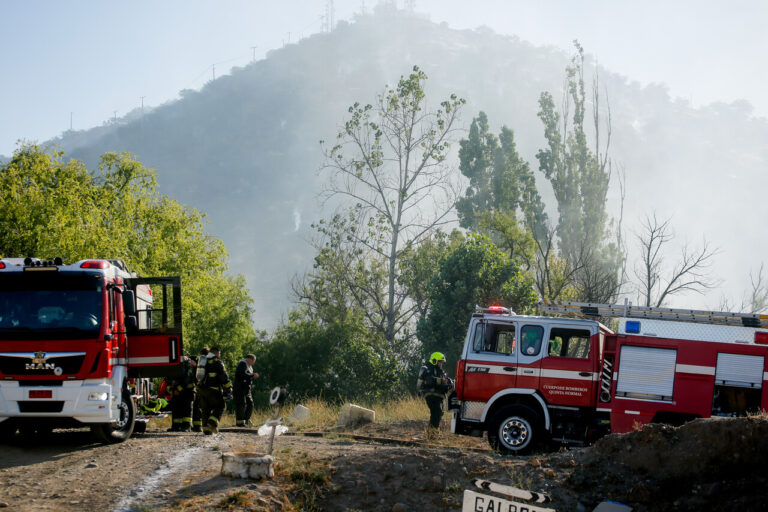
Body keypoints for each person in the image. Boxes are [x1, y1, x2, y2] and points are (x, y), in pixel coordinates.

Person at [197, 346, 232, 435]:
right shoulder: (217, 362)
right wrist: (228, 387)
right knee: (221, 405)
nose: (219, 355)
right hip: (214, 389)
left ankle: (206, 430)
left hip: (202, 390)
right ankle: (212, 423)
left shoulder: (203, 361)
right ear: (216, 352)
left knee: (206, 409)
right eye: (219, 353)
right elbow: (223, 376)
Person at [416, 352, 454, 430]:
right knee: (436, 412)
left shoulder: (441, 372)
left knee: (438, 413)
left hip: (439, 397)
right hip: (431, 395)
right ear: (434, 361)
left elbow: (446, 382)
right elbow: (429, 380)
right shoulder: (429, 369)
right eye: (439, 362)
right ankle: (432, 434)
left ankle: (431, 432)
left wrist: (450, 383)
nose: (441, 364)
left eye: (441, 362)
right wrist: (442, 381)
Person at [168, 356, 197, 432]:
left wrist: (177, 389)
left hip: (187, 392)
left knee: (186, 410)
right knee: (176, 409)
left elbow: (187, 380)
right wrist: (171, 390)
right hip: (177, 392)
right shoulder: (173, 367)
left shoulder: (188, 366)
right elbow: (168, 379)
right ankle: (176, 426)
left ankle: (187, 426)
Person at [233, 354, 259, 427]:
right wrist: (252, 375)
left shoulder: (249, 366)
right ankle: (240, 422)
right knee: (241, 404)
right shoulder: (242, 364)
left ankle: (246, 420)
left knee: (250, 404)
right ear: (250, 359)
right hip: (240, 388)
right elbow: (242, 374)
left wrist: (252, 377)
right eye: (254, 361)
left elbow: (247, 376)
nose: (254, 362)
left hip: (246, 389)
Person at [191, 347, 209, 432]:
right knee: (203, 407)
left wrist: (194, 366)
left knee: (197, 407)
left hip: (199, 387)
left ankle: (197, 426)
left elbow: (197, 376)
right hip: (206, 388)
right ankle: (199, 426)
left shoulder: (200, 362)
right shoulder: (209, 362)